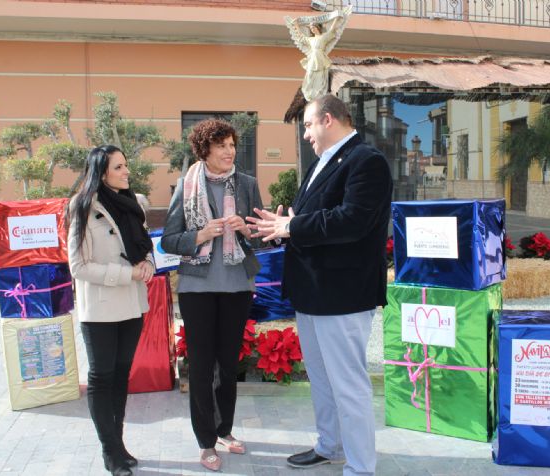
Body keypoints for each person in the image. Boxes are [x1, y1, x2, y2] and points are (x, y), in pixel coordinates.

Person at [247, 94, 392, 476]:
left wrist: (292, 226)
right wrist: (281, 229)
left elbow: (351, 221)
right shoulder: (320, 164)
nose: (307, 134)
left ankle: (361, 467)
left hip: (342, 294)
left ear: (328, 119)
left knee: (348, 385)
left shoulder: (367, 161)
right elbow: (311, 221)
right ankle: (330, 445)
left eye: (309, 125)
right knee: (323, 380)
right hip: (312, 291)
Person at [161, 118, 263, 472]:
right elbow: (169, 240)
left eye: (232, 145)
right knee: (202, 367)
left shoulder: (248, 185)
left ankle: (225, 430)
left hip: (237, 287)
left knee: (229, 364)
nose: (229, 151)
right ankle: (205, 441)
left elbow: (263, 235)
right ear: (204, 150)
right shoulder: (185, 186)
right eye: (221, 146)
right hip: (197, 289)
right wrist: (200, 236)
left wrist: (248, 229)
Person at [67, 145, 155, 476]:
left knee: (120, 377)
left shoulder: (133, 204)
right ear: (102, 172)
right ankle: (109, 452)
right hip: (101, 310)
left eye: (126, 165)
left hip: (132, 305)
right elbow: (78, 266)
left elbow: (143, 246)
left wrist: (146, 263)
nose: (126, 171)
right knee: (102, 378)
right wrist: (126, 273)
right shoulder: (81, 207)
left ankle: (118, 445)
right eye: (119, 167)